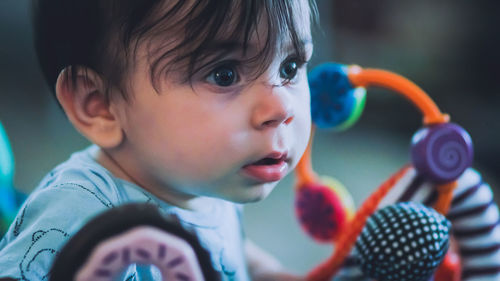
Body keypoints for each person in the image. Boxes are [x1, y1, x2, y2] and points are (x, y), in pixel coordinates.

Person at [0, 0, 318, 280]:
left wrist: (269, 273)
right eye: (225, 74)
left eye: (290, 67)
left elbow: (229, 251)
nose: (281, 108)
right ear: (100, 105)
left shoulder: (209, 180)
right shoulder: (78, 212)